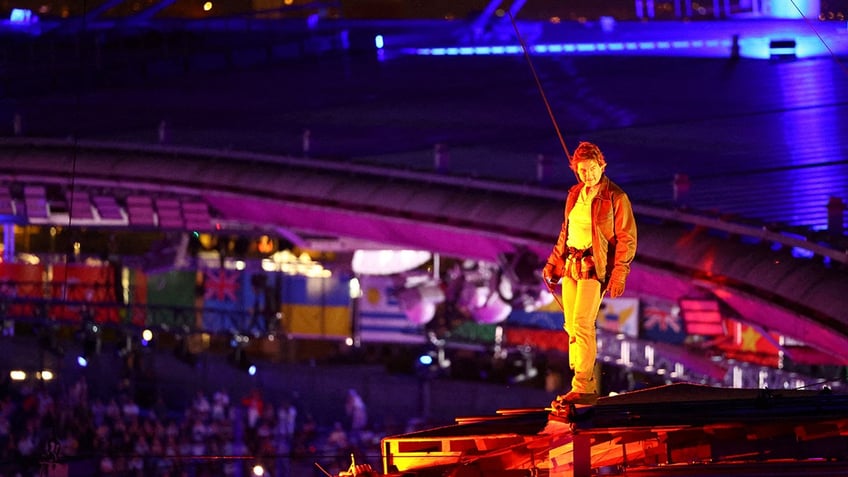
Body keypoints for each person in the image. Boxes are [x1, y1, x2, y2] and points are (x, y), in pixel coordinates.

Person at [542, 141, 637, 405]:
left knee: (583, 324)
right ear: (576, 171)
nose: (588, 175)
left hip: (594, 266)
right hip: (571, 263)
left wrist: (619, 275)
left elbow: (627, 239)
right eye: (582, 170)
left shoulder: (616, 198)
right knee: (571, 325)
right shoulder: (574, 193)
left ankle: (583, 386)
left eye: (592, 169)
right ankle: (580, 378)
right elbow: (566, 231)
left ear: (602, 166)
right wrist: (552, 263)